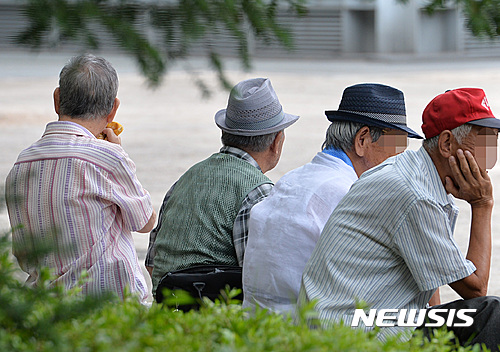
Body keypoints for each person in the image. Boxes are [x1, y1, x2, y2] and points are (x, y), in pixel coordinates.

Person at [299, 88, 500, 350]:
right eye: (485, 142)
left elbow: (433, 272)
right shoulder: (415, 194)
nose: (491, 159)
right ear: (447, 144)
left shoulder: (414, 174)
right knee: (490, 315)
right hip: (354, 328)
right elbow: (475, 289)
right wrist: (482, 204)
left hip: (365, 316)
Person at [242, 83, 423, 314]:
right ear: (363, 140)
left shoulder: (291, 179)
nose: (398, 161)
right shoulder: (353, 193)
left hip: (257, 325)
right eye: (396, 149)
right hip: (309, 332)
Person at [5, 54, 156, 303]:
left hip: (43, 307)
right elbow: (145, 221)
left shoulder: (21, 164)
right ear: (113, 110)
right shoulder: (108, 157)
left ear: (57, 100)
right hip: (111, 309)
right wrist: (118, 152)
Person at [147, 77, 299, 299]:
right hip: (215, 318)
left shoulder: (186, 178)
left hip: (167, 315)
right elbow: (261, 280)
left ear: (225, 133)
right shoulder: (258, 191)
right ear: (277, 142)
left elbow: (152, 263)